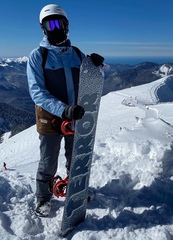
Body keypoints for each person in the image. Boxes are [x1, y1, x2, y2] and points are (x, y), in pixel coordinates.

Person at [27, 4, 104, 217]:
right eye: (49, 24)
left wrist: (95, 65)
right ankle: (43, 199)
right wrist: (64, 110)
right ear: (43, 28)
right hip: (50, 118)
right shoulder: (38, 56)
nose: (55, 28)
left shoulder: (77, 54)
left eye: (58, 23)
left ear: (66, 25)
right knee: (48, 161)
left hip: (76, 115)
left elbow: (90, 82)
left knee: (76, 156)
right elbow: (37, 92)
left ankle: (76, 188)